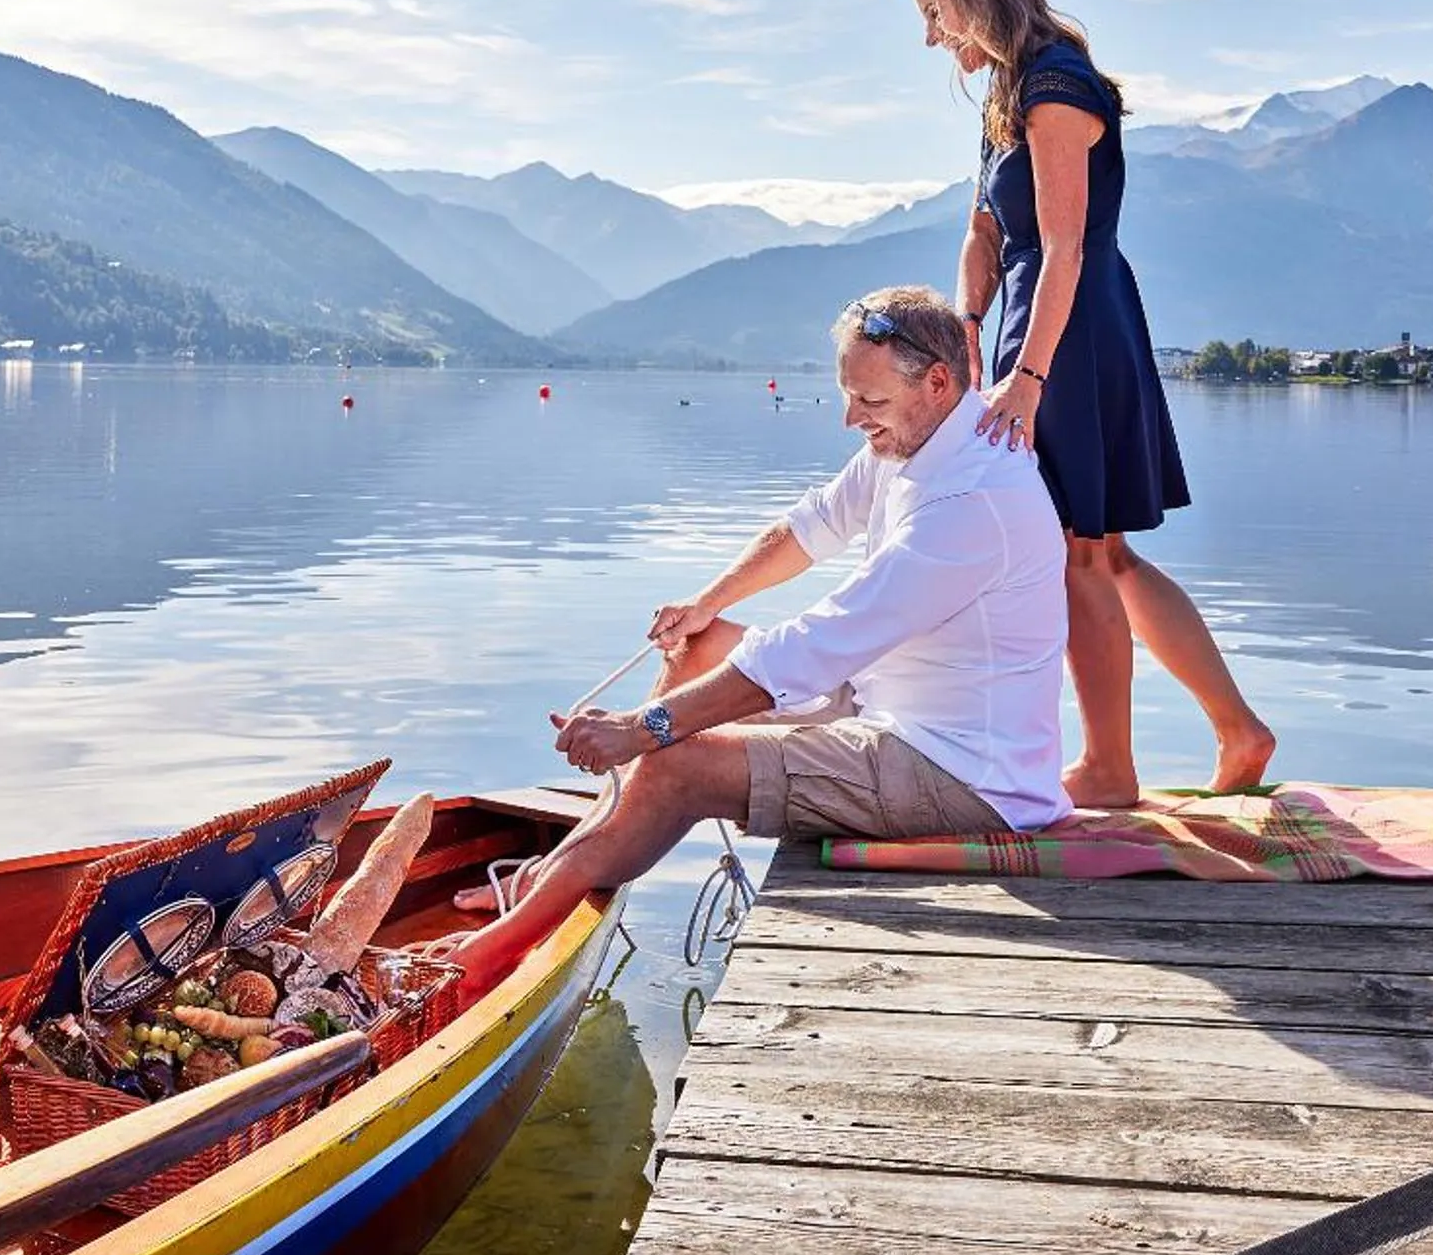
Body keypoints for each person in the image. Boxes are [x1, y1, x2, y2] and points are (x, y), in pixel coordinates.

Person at [441, 287, 1070, 993]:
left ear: (936, 380)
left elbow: (815, 645)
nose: (850, 418)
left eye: (869, 402)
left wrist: (644, 728)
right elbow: (808, 528)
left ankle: (487, 956)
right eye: (848, 395)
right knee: (700, 646)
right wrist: (704, 605)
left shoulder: (971, 501)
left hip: (963, 776)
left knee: (676, 766)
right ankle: (587, 848)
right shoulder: (917, 438)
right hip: (884, 708)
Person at [907, 0, 1275, 805]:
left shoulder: (1054, 85)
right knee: (1103, 553)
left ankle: (1110, 769)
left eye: (933, 13)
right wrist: (966, 322)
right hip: (1038, 324)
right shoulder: (1004, 98)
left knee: (1080, 550)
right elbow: (984, 230)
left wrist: (1027, 380)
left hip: (1072, 331)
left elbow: (1064, 248)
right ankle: (1240, 731)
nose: (928, 37)